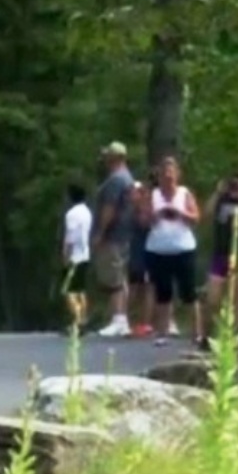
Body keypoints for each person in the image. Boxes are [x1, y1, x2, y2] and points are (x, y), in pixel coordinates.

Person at [143, 155, 202, 347]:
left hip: (183, 249)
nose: (168, 177)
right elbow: (143, 219)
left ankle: (197, 333)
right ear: (159, 176)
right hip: (158, 249)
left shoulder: (184, 194)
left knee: (189, 293)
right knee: (163, 293)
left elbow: (196, 217)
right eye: (164, 173)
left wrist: (180, 213)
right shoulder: (153, 195)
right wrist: (157, 214)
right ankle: (162, 332)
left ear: (177, 175)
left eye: (171, 173)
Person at [201, 172, 238, 346]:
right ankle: (208, 337)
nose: (237, 189)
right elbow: (206, 215)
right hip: (221, 254)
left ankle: (237, 339)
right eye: (234, 185)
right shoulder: (221, 200)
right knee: (213, 298)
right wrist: (218, 192)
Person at [90, 141, 135, 337]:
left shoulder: (116, 180)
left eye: (108, 156)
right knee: (119, 275)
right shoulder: (127, 178)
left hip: (113, 234)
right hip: (123, 233)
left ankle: (118, 319)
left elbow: (110, 208)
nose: (104, 159)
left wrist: (100, 231)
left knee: (113, 275)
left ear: (115, 158)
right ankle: (120, 318)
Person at [61, 183, 92, 332]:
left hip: (75, 256)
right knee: (80, 289)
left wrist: (66, 254)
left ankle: (77, 321)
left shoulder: (72, 214)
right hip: (85, 254)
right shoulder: (87, 212)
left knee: (68, 290)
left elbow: (71, 237)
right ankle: (84, 319)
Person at [127, 178, 155, 337]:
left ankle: (145, 323)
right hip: (136, 251)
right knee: (134, 287)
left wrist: (142, 205)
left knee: (147, 287)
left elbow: (145, 223)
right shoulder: (132, 209)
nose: (131, 195)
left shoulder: (145, 207)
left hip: (146, 252)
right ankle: (132, 322)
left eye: (135, 192)